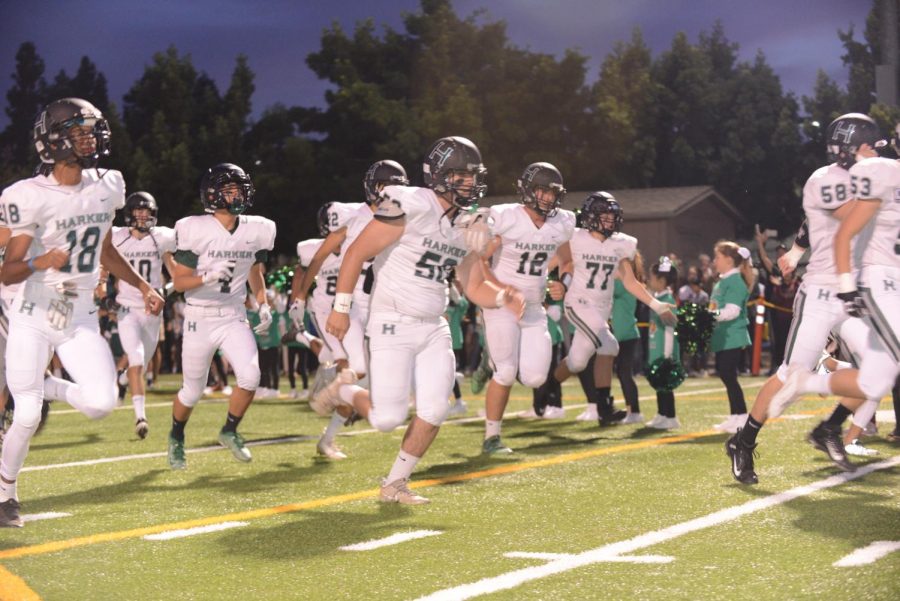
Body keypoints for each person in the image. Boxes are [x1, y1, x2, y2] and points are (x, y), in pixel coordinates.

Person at [316, 136, 524, 504]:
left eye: (473, 176)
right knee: (386, 419)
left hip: (434, 324)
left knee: (436, 408)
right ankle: (344, 391)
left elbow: (473, 285)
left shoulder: (474, 222)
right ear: (440, 175)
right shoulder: (409, 202)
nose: (470, 184)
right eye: (461, 176)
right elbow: (355, 254)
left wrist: (502, 296)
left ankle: (394, 484)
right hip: (392, 320)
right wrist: (341, 308)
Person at [0, 98, 164, 527]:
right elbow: (8, 270)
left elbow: (106, 249)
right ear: (53, 141)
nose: (88, 136)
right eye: (77, 129)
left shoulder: (109, 185)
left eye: (90, 128)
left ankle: (46, 385)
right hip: (33, 310)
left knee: (102, 403)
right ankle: (5, 494)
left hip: (79, 316)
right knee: (28, 413)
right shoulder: (27, 196)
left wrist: (143, 284)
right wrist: (41, 261)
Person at [725, 113, 883, 484]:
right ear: (847, 149)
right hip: (822, 295)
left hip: (856, 295)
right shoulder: (825, 179)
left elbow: (812, 227)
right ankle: (744, 440)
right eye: (867, 146)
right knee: (791, 375)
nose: (874, 152)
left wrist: (795, 252)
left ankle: (829, 428)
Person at [769, 118, 898, 462]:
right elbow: (831, 225)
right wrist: (799, 253)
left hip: (876, 277)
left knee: (878, 376)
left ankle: (818, 402)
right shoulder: (862, 175)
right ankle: (758, 426)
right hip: (863, 280)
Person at [166, 163, 275, 470]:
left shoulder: (258, 228)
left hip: (233, 314)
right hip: (199, 316)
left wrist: (263, 302)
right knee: (192, 390)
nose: (237, 194)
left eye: (239, 189)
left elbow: (255, 270)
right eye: (229, 190)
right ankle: (176, 437)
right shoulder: (194, 228)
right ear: (213, 195)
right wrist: (206, 277)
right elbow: (179, 283)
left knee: (251, 376)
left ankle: (229, 430)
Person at [553, 192, 677, 427]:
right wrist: (554, 285)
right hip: (577, 302)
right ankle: (604, 406)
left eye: (613, 216)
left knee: (578, 362)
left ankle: (549, 386)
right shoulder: (574, 238)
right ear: (590, 216)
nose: (610, 221)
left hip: (601, 309)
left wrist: (657, 304)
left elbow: (630, 282)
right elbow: (560, 264)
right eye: (605, 216)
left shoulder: (621, 244)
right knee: (609, 345)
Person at [478, 162, 574, 454]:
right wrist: (503, 292)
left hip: (533, 308)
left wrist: (563, 283)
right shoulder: (505, 217)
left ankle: (490, 358)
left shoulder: (562, 222)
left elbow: (567, 261)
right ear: (527, 190)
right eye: (541, 191)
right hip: (501, 305)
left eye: (552, 192)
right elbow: (480, 260)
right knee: (506, 372)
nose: (547, 198)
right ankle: (491, 437)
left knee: (535, 377)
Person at [110, 191, 176, 438]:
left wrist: (164, 291)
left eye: (146, 211)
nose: (142, 215)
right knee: (136, 358)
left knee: (142, 363)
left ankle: (124, 381)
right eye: (138, 211)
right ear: (129, 213)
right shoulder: (118, 237)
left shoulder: (162, 238)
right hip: (127, 308)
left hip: (152, 312)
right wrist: (102, 284)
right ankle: (140, 417)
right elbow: (105, 261)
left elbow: (177, 274)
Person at [708, 241, 754, 434]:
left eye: (717, 257)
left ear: (728, 260)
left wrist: (709, 315)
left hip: (733, 335)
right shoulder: (722, 280)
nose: (714, 261)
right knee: (725, 374)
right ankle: (735, 415)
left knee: (729, 374)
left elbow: (733, 311)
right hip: (723, 336)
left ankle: (742, 416)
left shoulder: (735, 281)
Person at [645, 257, 681, 429]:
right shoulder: (657, 298)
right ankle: (661, 414)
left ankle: (671, 416)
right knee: (658, 382)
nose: (649, 281)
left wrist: (667, 354)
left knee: (666, 384)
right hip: (656, 347)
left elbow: (669, 328)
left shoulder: (668, 299)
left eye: (651, 278)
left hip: (664, 349)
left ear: (661, 280)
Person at [610, 262, 643, 423]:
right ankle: (631, 411)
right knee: (622, 375)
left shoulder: (625, 284)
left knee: (625, 374)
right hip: (621, 336)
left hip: (628, 336)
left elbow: (608, 289)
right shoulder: (622, 283)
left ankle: (635, 411)